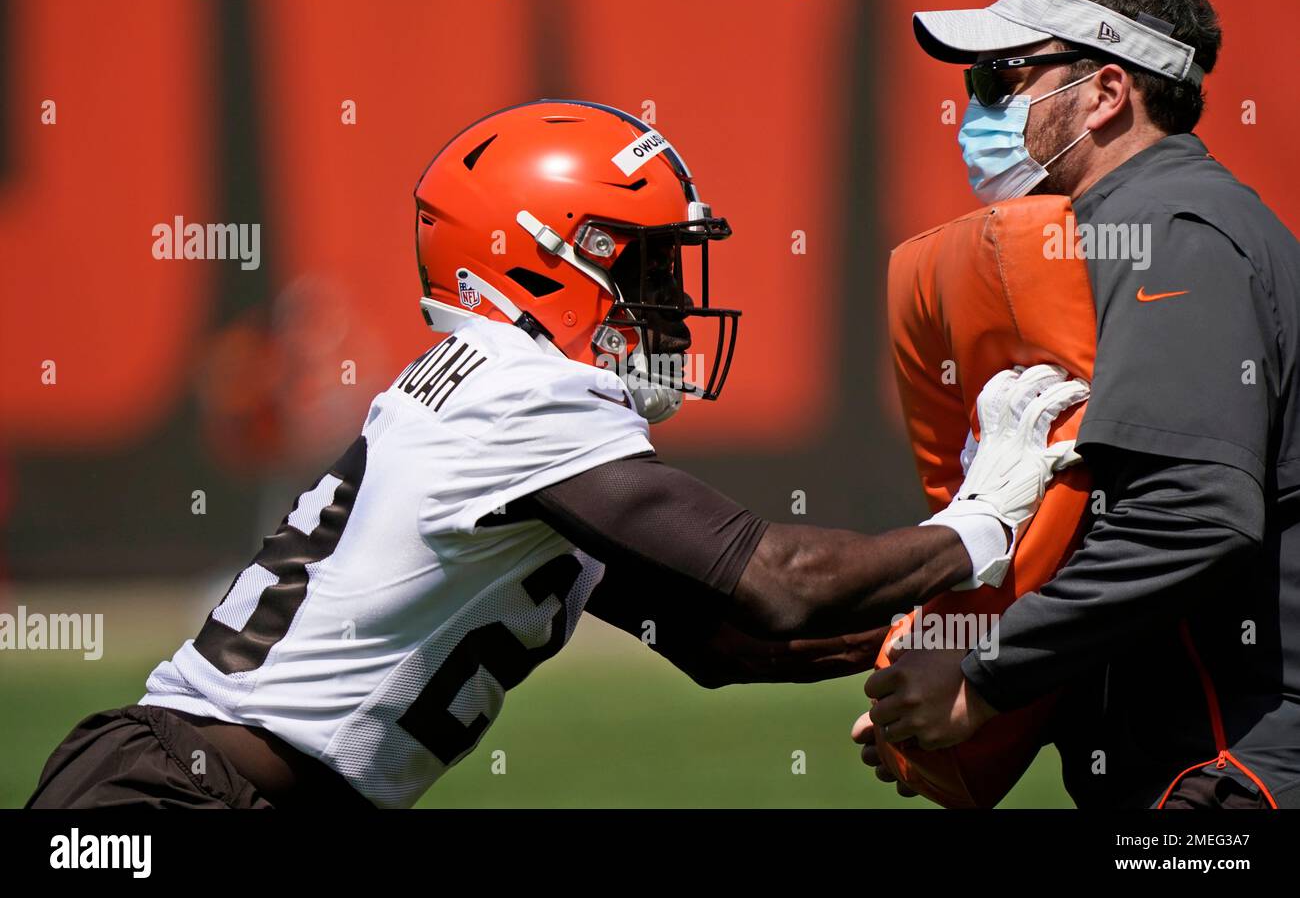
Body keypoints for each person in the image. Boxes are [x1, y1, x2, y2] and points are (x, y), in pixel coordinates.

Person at [27, 99, 1084, 809]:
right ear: (537, 265)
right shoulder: (518, 390)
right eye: (646, 266)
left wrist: (988, 635)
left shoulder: (493, 400)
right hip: (179, 793)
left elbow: (723, 641)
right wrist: (983, 520)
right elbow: (778, 584)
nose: (669, 305)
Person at [856, 0, 1300, 809]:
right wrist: (935, 669)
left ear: (1104, 92)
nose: (975, 107)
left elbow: (1192, 513)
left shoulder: (1174, 229)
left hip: (1232, 772)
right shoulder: (1114, 228)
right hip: (1185, 766)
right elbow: (1089, 524)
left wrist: (983, 678)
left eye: (1001, 79)